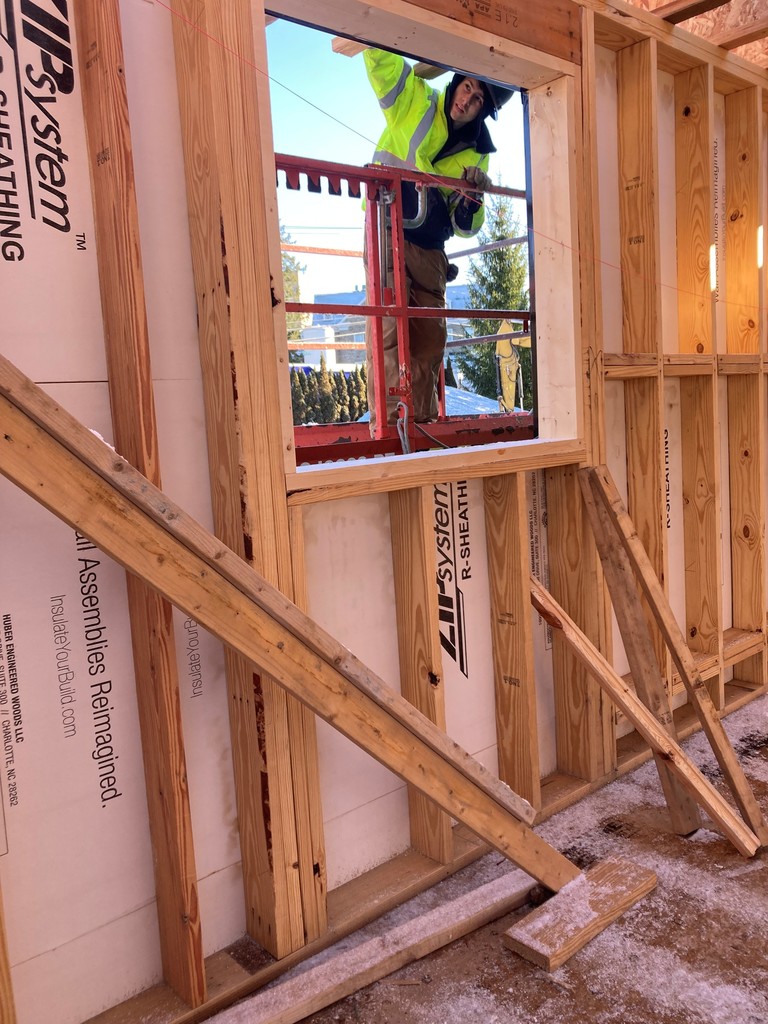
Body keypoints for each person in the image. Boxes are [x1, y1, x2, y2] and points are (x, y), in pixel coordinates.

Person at [362, 48, 512, 430]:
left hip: (430, 247)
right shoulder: (415, 99)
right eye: (466, 86)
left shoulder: (479, 153)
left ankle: (423, 425)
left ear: (484, 109)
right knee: (390, 331)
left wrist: (473, 197)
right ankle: (391, 428)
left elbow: (467, 225)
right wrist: (397, 35)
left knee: (429, 338)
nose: (466, 99)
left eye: (477, 97)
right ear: (455, 81)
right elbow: (380, 60)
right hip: (386, 228)